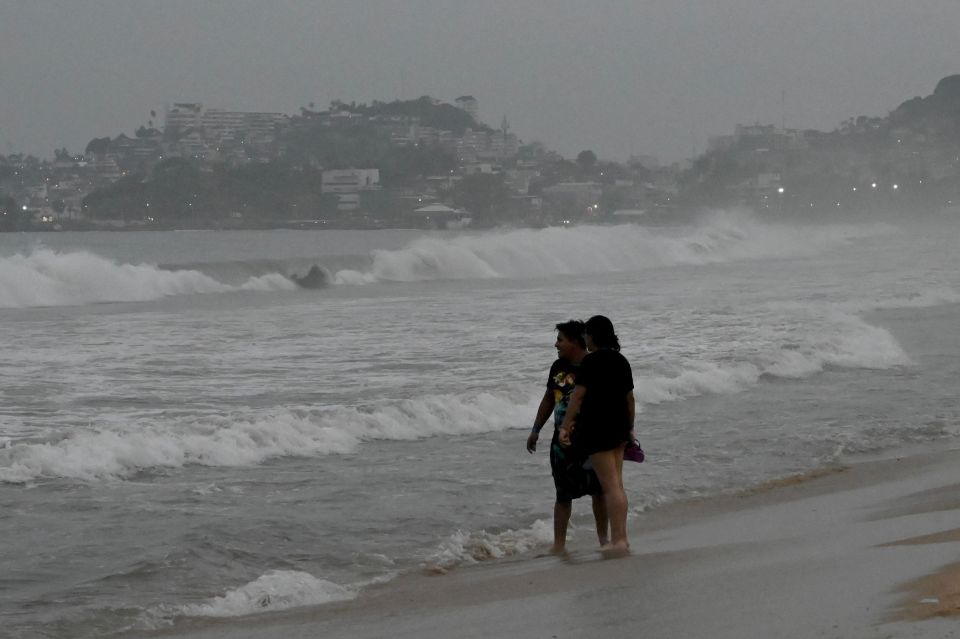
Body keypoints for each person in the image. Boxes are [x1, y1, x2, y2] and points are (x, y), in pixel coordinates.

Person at [526, 320, 608, 554]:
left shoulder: (593, 365)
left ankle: (604, 541)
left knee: (599, 492)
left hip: (591, 440)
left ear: (575, 341)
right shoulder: (558, 367)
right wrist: (535, 429)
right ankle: (559, 545)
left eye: (560, 339)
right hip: (561, 443)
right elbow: (549, 398)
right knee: (562, 494)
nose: (556, 344)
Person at [559, 315, 634, 558]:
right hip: (619, 428)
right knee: (618, 485)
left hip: (598, 429)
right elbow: (629, 399)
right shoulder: (621, 361)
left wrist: (566, 425)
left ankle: (619, 540)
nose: (585, 338)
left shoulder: (591, 362)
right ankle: (622, 538)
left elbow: (578, 396)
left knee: (610, 486)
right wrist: (630, 427)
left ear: (594, 335)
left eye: (587, 334)